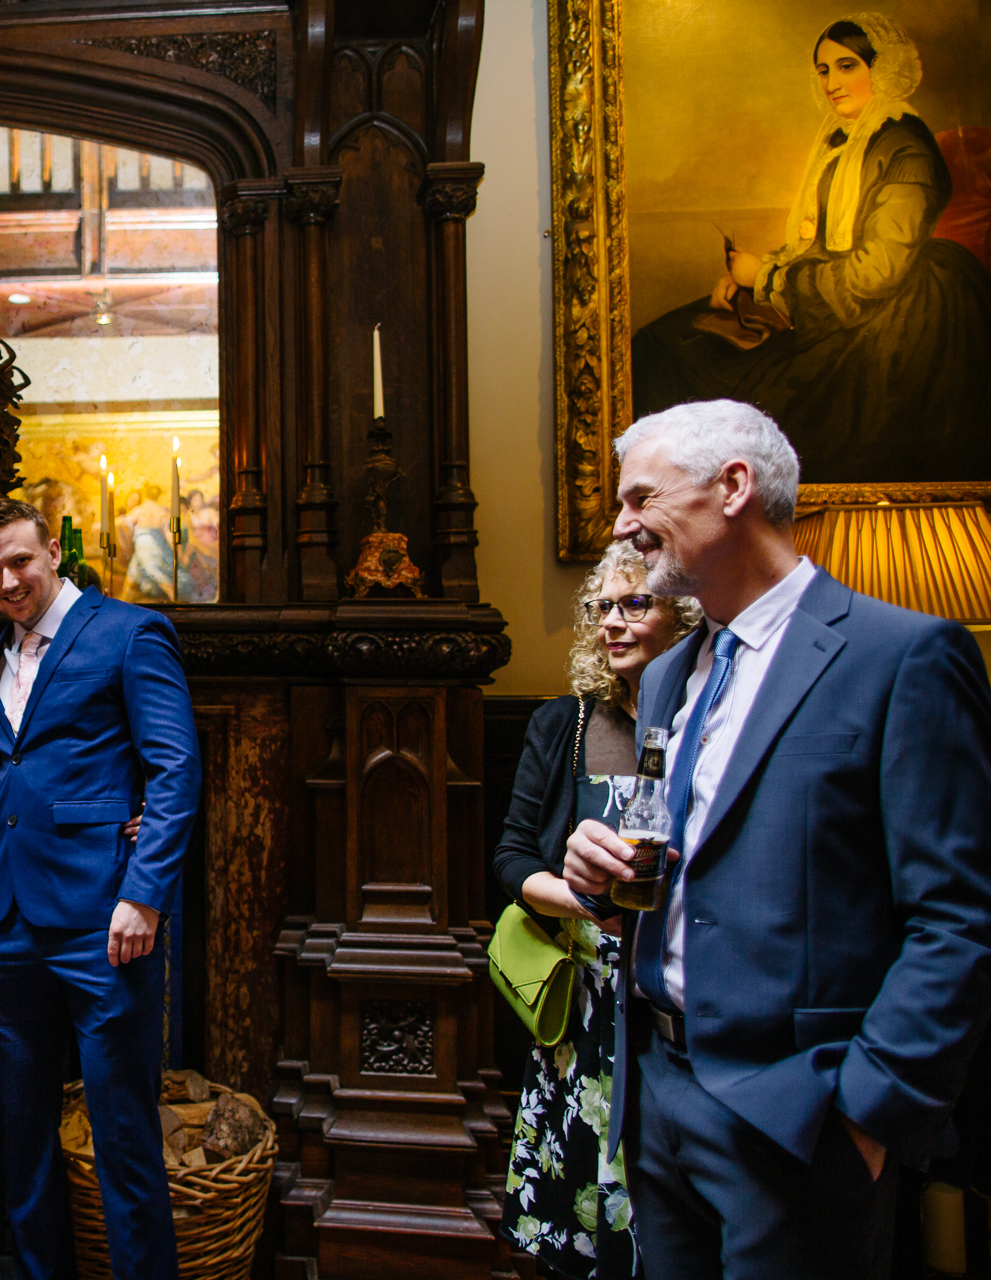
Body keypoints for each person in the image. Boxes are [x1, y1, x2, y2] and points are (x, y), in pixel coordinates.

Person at [563, 399, 991, 1277]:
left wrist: (871, 1114)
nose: (621, 524)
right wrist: (600, 875)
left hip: (802, 1120)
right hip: (659, 1099)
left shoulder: (902, 657)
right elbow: (691, 862)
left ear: (733, 487)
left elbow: (955, 918)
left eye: (642, 497)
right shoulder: (673, 671)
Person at [0, 496, 200, 1280]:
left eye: (20, 561)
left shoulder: (129, 633)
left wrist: (144, 894)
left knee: (123, 1133)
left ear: (55, 553)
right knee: (22, 1137)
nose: (8, 579)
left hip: (106, 920)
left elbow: (175, 770)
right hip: (3, 923)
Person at [630, 14, 991, 485]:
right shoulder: (843, 139)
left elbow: (874, 274)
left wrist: (766, 278)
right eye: (823, 71)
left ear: (882, 69)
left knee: (706, 378)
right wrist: (749, 280)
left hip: (891, 326)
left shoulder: (906, 148)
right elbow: (818, 241)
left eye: (846, 67)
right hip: (834, 304)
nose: (831, 83)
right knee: (661, 342)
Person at [494, 541, 700, 1277]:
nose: (612, 622)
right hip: (585, 1007)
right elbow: (513, 859)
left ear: (684, 613)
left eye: (634, 604)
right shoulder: (565, 724)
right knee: (585, 1225)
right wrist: (585, 905)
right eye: (601, 608)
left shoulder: (710, 730)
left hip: (682, 999)